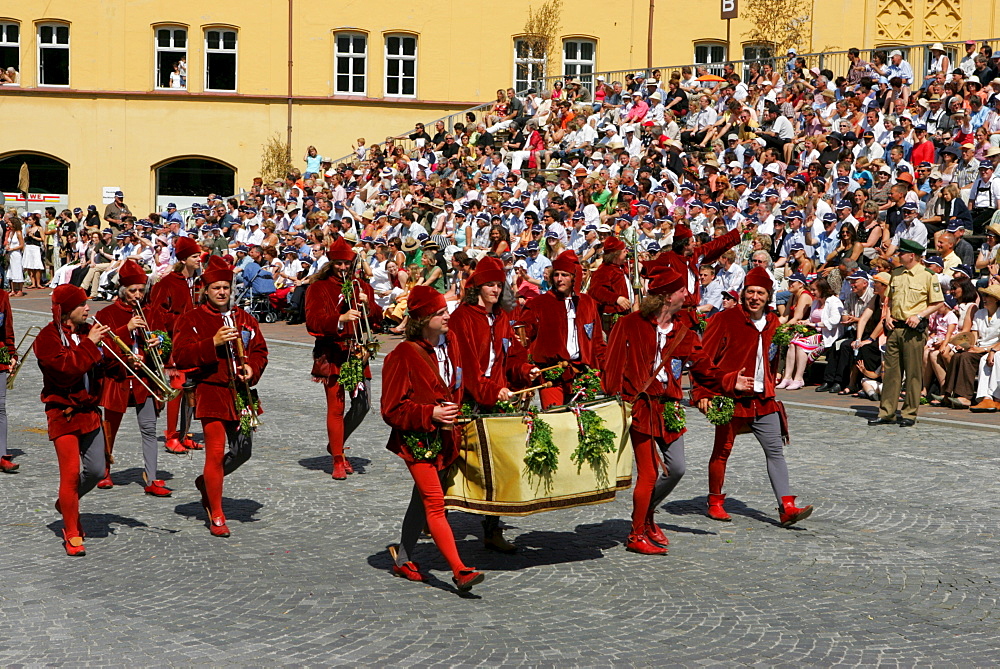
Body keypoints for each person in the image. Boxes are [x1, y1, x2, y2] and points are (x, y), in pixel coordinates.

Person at [603, 265, 739, 555]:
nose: (686, 295)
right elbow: (612, 365)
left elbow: (704, 369)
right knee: (649, 474)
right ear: (666, 297)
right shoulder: (630, 324)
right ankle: (636, 533)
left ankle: (647, 514)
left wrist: (730, 380)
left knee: (677, 468)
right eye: (681, 290)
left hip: (669, 407)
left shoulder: (684, 332)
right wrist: (614, 400)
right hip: (640, 406)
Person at [381, 285, 486, 592]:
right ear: (424, 318)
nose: (447, 315)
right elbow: (392, 409)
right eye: (440, 312)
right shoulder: (402, 355)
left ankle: (402, 558)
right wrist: (431, 414)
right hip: (418, 442)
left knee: (420, 501)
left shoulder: (450, 343)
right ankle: (460, 570)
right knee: (435, 504)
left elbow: (461, 381)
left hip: (446, 439)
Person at [693, 267, 815, 527]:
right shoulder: (725, 319)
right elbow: (702, 359)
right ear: (743, 295)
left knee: (775, 451)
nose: (755, 297)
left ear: (768, 296)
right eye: (750, 292)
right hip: (730, 396)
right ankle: (715, 501)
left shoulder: (772, 322)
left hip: (764, 398)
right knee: (722, 450)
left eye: (760, 293)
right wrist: (703, 393)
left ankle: (787, 506)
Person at [173, 256, 269, 538]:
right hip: (211, 391)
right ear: (206, 290)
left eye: (226, 287)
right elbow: (179, 356)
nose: (222, 292)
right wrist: (211, 344)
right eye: (216, 288)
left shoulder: (244, 318)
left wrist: (253, 367)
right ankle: (216, 512)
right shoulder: (192, 318)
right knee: (214, 453)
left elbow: (260, 350)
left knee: (244, 450)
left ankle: (206, 483)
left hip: (242, 394)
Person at [448, 256, 539, 553]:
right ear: (477, 287)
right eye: (490, 284)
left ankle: (491, 529)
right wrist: (491, 390)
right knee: (451, 461)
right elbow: (468, 366)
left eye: (499, 285)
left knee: (496, 467)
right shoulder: (463, 317)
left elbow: (510, 354)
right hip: (469, 397)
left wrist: (525, 371)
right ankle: (432, 510)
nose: (496, 290)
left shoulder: (501, 317)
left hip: (496, 396)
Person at [34, 285, 112, 556]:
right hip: (62, 412)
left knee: (96, 471)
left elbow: (102, 366)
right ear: (68, 311)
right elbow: (67, 370)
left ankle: (66, 505)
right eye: (83, 305)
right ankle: (72, 530)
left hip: (89, 412)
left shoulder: (83, 333)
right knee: (69, 474)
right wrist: (91, 343)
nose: (89, 309)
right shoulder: (47, 338)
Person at [92, 259, 172, 496]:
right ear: (122, 290)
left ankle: (153, 477)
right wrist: (126, 329)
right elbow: (101, 347)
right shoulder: (107, 313)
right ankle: (105, 469)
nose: (137, 295)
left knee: (148, 427)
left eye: (141, 290)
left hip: (144, 379)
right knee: (110, 427)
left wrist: (158, 342)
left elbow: (166, 341)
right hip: (118, 378)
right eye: (132, 290)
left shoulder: (151, 311)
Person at [305, 237, 379, 480]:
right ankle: (337, 457)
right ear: (331, 262)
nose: (343, 268)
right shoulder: (318, 287)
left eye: (347, 264)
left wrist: (370, 307)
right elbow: (313, 322)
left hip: (358, 352)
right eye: (338, 264)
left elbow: (378, 320)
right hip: (333, 353)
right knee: (336, 407)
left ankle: (336, 442)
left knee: (363, 404)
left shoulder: (361, 286)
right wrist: (340, 319)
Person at [869, 239, 944, 427]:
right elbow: (890, 299)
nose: (898, 255)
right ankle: (887, 412)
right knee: (892, 373)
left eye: (901, 253)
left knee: (913, 373)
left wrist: (919, 315)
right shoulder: (896, 273)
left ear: (912, 255)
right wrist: (886, 316)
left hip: (913, 330)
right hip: (895, 328)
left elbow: (938, 303)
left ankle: (909, 413)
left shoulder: (928, 276)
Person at [516, 250, 605, 408]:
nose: (559, 279)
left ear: (573, 278)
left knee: (582, 425)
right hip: (551, 374)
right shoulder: (538, 304)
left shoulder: (587, 303)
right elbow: (522, 339)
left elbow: (597, 341)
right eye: (556, 275)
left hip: (581, 373)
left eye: (565, 275)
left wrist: (604, 369)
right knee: (555, 421)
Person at [148, 236, 203, 454]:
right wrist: (182, 322)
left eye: (199, 255)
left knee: (191, 388)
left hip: (192, 342)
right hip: (173, 343)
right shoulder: (168, 283)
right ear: (183, 259)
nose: (199, 259)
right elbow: (156, 314)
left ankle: (185, 433)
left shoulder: (195, 282)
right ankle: (171, 435)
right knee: (177, 389)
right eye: (194, 256)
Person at [586, 236, 635, 333]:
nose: (626, 252)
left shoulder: (620, 267)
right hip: (612, 317)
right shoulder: (604, 270)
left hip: (625, 313)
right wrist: (616, 298)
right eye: (623, 250)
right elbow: (596, 290)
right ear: (616, 255)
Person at [0, 289, 16, 472]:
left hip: (0, 353)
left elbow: (7, 327)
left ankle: (2, 454)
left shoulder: (2, 296)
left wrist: (12, 353)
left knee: (0, 407)